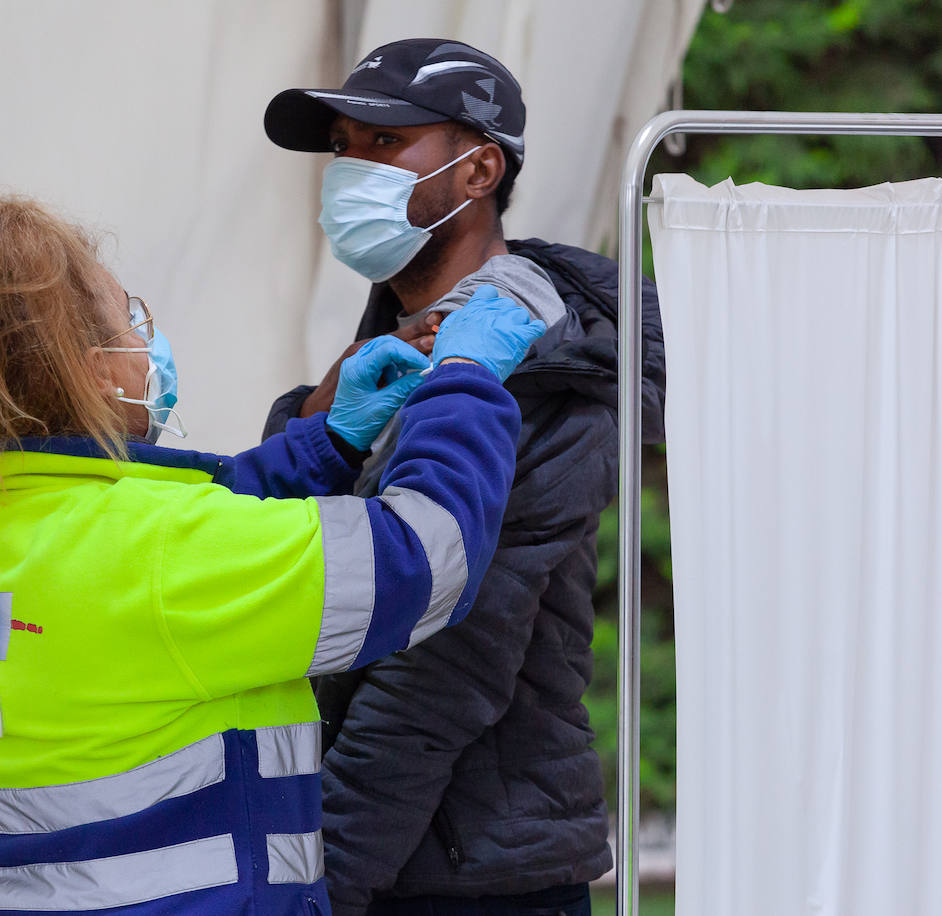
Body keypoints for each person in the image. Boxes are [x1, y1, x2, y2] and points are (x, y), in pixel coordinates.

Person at [0, 195, 547, 914]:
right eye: (133, 319)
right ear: (98, 372)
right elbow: (425, 555)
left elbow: (169, 554)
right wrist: (464, 377)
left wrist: (327, 443)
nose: (148, 338)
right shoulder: (163, 551)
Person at [262, 39, 667, 916]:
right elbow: (282, 573)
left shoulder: (541, 366)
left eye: (381, 145)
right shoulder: (381, 346)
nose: (345, 173)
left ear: (479, 168)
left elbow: (445, 671)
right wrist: (308, 424)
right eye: (340, 146)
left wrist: (321, 884)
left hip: (475, 876)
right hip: (363, 852)